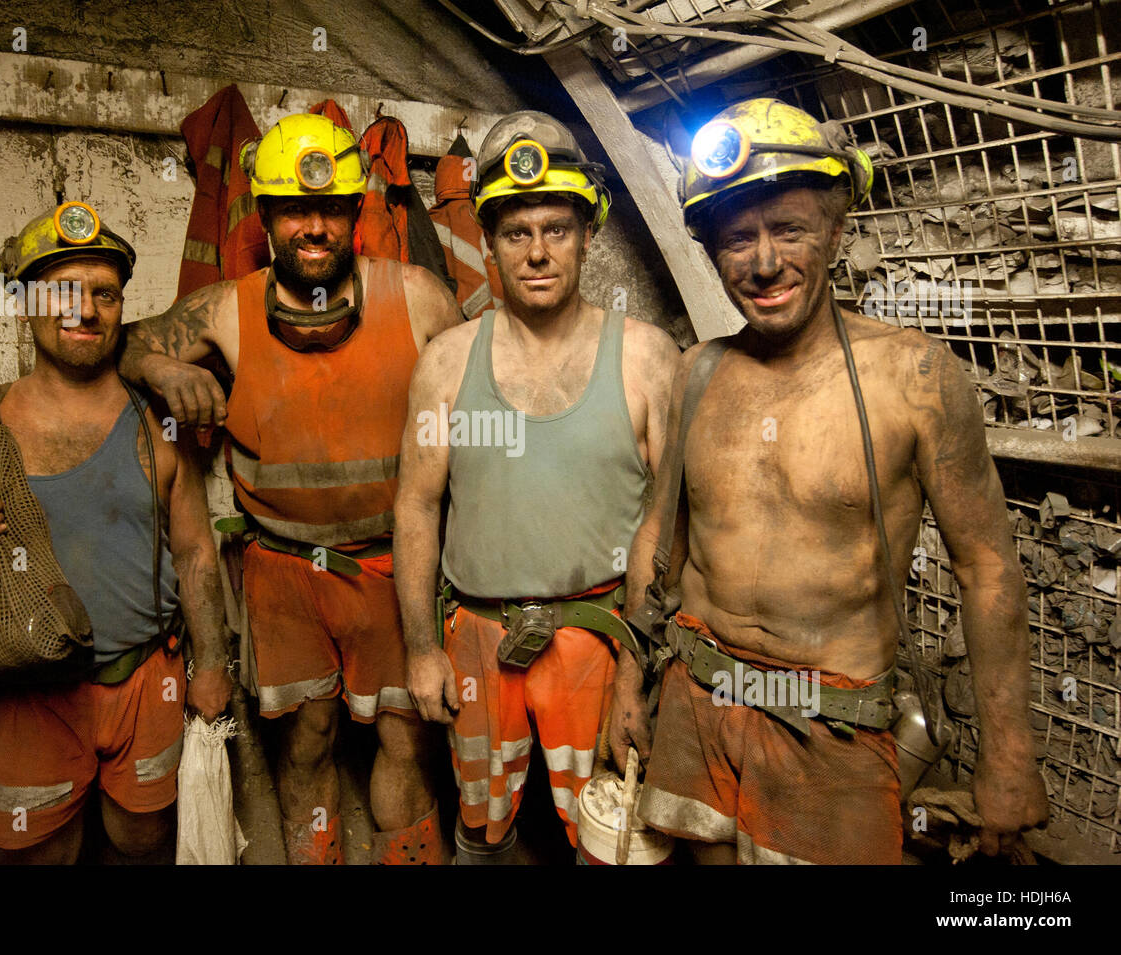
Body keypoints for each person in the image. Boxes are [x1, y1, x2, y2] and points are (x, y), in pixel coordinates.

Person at [615, 98, 1049, 864]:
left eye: (788, 229)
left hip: (833, 728)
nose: (764, 260)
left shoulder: (914, 377)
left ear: (837, 230)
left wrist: (1009, 756)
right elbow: (660, 533)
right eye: (738, 237)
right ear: (712, 248)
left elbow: (986, 568)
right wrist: (627, 674)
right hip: (694, 695)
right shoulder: (697, 372)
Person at [119, 114, 461, 864]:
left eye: (332, 208)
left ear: (355, 214)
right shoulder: (229, 310)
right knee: (308, 739)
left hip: (390, 566)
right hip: (283, 571)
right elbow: (127, 340)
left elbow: (485, 408)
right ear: (267, 217)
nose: (315, 225)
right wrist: (167, 369)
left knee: (406, 737)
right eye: (295, 209)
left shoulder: (419, 297)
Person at [0, 202, 231, 863]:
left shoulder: (155, 424)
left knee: (143, 839)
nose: (85, 308)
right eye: (63, 291)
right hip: (29, 692)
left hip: (146, 682)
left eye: (104, 293)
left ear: (119, 308)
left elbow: (194, 550)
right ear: (24, 304)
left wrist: (212, 664)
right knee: (44, 852)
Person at [394, 111, 680, 862]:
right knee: (483, 834)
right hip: (481, 642)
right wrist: (422, 648)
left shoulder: (648, 359)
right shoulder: (448, 363)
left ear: (590, 235)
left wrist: (638, 670)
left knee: (608, 836)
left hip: (601, 640)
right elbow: (417, 506)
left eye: (557, 227)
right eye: (516, 233)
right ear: (487, 242)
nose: (539, 251)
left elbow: (671, 522)